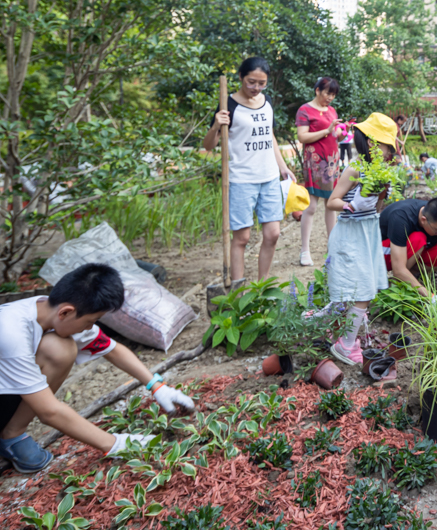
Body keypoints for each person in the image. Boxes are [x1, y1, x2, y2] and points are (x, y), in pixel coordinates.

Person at [0, 264, 195, 473]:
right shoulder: (11, 332)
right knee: (57, 353)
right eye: (90, 321)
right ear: (66, 312)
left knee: (59, 349)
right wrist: (114, 444)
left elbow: (112, 350)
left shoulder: (51, 312)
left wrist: (157, 386)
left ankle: (12, 435)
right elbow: (49, 411)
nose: (89, 328)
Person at [203, 57, 295, 282]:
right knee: (242, 238)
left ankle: (262, 285)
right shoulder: (228, 105)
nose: (256, 88)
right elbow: (209, 146)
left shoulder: (267, 101)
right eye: (251, 82)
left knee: (273, 234)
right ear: (241, 78)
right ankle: (238, 288)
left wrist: (283, 167)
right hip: (241, 179)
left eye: (262, 83)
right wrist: (216, 126)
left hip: (269, 177)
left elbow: (270, 136)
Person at [325, 113, 399, 367]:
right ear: (372, 144)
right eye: (388, 146)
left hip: (368, 233)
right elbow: (332, 202)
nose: (390, 153)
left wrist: (382, 193)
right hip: (350, 235)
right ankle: (345, 344)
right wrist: (350, 205)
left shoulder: (380, 173)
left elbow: (376, 209)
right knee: (363, 289)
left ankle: (347, 334)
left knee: (363, 287)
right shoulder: (355, 168)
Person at [296, 77, 344, 267]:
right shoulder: (305, 110)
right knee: (311, 206)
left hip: (332, 161)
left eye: (333, 95)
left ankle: (332, 248)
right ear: (317, 90)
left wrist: (341, 132)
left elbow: (335, 135)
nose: (330, 98)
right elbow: (302, 136)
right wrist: (327, 130)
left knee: (330, 205)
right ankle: (305, 250)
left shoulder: (331, 110)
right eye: (327, 93)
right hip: (315, 162)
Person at [380, 197, 437, 297]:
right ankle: (399, 283)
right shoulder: (401, 217)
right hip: (381, 254)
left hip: (407, 252)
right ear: (423, 220)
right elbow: (398, 269)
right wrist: (431, 296)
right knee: (419, 238)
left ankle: (410, 277)